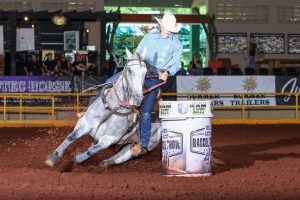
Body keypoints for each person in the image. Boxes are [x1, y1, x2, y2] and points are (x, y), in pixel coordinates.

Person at [130, 13, 183, 156]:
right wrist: (136, 62)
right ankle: (94, 110)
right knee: (115, 81)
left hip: (155, 77)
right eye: (167, 27)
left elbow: (177, 65)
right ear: (161, 25)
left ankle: (143, 143)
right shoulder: (149, 36)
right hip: (141, 70)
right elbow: (138, 52)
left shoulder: (177, 44)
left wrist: (167, 72)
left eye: (171, 29)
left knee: (146, 112)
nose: (168, 30)